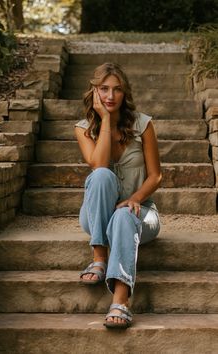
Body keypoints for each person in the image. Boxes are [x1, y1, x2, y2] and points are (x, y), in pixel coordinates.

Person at [74, 62, 162, 329]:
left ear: (125, 93)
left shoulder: (143, 125)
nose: (110, 96)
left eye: (117, 90)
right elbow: (98, 165)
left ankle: (121, 301)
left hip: (140, 213)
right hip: (97, 217)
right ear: (95, 92)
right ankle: (99, 259)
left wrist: (135, 198)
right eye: (104, 89)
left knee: (124, 214)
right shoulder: (83, 128)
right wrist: (106, 121)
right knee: (101, 176)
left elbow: (156, 176)